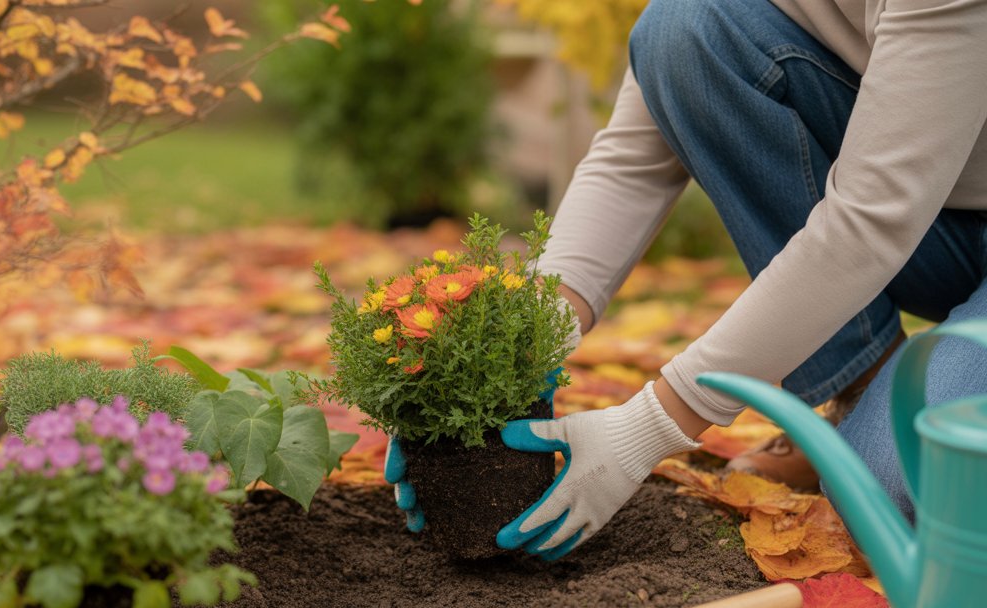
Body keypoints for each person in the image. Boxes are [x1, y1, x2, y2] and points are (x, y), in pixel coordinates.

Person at [389, 0, 987, 561]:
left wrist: (650, 425)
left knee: (905, 496)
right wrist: (525, 342)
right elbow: (633, 161)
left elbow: (871, 221)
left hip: (896, 216)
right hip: (932, 222)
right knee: (682, 30)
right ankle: (859, 389)